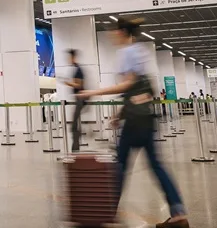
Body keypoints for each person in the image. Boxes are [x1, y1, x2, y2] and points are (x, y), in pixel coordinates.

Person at [79, 18, 188, 228]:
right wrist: (120, 114)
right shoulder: (141, 51)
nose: (112, 34)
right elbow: (140, 89)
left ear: (121, 32)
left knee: (119, 165)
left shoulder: (126, 53)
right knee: (156, 165)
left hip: (135, 122)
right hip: (145, 117)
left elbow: (127, 84)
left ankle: (107, 212)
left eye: (114, 30)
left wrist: (94, 92)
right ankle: (178, 213)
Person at [63, 49, 85, 152]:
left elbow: (79, 85)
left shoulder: (78, 70)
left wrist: (68, 83)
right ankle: (75, 147)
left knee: (73, 125)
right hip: (79, 98)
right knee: (74, 124)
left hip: (80, 98)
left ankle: (75, 148)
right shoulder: (76, 69)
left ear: (73, 57)